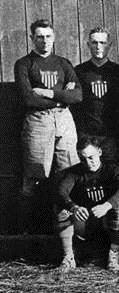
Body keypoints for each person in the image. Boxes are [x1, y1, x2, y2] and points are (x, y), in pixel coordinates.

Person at [14, 19, 82, 200]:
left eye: (48, 36)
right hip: (38, 120)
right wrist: (61, 98)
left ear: (54, 37)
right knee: (34, 175)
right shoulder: (24, 63)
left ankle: (65, 221)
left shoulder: (63, 63)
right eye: (40, 37)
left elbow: (77, 96)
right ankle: (27, 227)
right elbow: (28, 98)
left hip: (64, 120)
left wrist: (48, 93)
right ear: (32, 38)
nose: (44, 41)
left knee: (69, 170)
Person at [55, 136, 119, 272]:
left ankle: (114, 254)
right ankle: (69, 257)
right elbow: (61, 191)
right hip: (85, 221)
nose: (88, 163)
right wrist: (74, 207)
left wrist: (107, 205)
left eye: (91, 157)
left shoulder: (112, 169)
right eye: (83, 159)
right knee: (61, 209)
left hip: (107, 221)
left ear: (99, 152)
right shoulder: (75, 172)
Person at [72, 27, 119, 164]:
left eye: (102, 43)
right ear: (88, 45)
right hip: (86, 134)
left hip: (110, 136)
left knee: (110, 171)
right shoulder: (79, 72)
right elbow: (75, 105)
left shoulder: (118, 71)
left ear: (109, 45)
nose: (98, 47)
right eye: (94, 43)